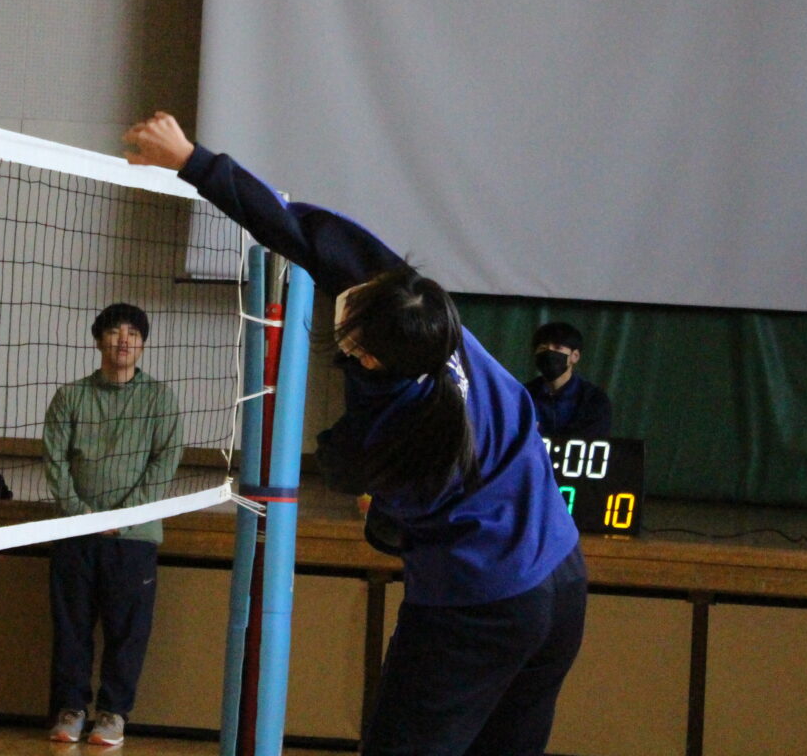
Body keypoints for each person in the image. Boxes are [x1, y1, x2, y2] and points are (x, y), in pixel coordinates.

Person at [124, 112, 585, 756]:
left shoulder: (381, 435)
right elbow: (300, 232)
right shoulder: (420, 317)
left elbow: (359, 491)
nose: (347, 295)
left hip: (481, 608)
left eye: (351, 318)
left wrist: (379, 510)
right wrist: (190, 159)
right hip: (561, 580)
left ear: (365, 357)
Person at [43, 303, 182, 748]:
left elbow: (164, 464)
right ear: (98, 337)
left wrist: (123, 518)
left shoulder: (159, 399)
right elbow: (55, 462)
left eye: (133, 333)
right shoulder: (70, 396)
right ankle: (70, 710)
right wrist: (84, 514)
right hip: (75, 532)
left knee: (127, 632)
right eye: (115, 331)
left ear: (142, 343)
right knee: (71, 628)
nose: (124, 339)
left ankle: (113, 714)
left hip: (134, 538)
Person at [523, 322, 612, 441]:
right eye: (543, 348)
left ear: (574, 356)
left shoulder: (594, 400)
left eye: (558, 347)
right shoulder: (522, 395)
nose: (549, 352)